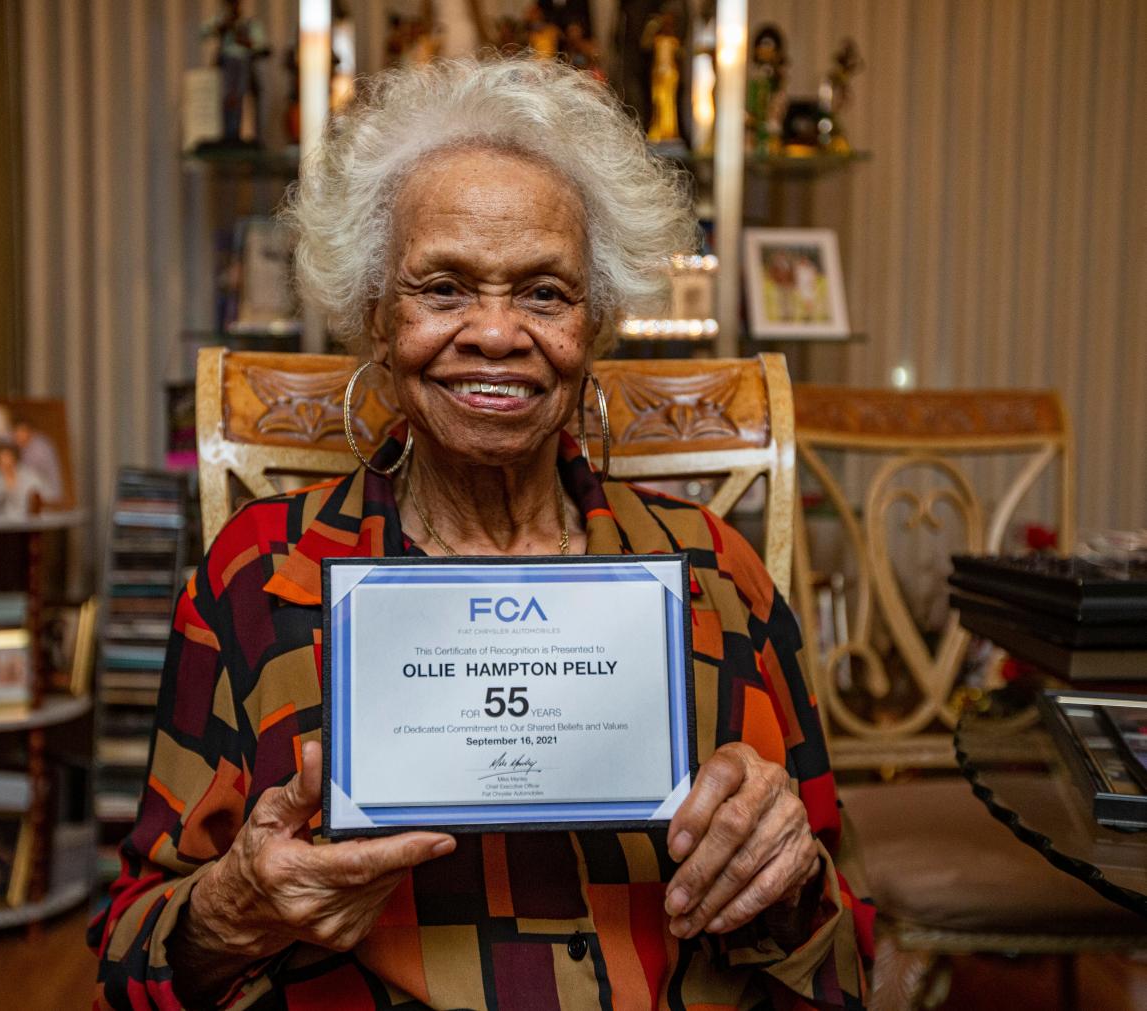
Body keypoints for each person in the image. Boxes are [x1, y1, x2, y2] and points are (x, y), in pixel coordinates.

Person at [89, 58, 872, 1009]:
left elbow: (845, 962)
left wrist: (783, 876)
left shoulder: (716, 572)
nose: (496, 334)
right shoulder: (260, 578)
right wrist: (239, 904)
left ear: (600, 325)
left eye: (545, 292)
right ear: (377, 317)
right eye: (444, 287)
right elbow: (130, 966)